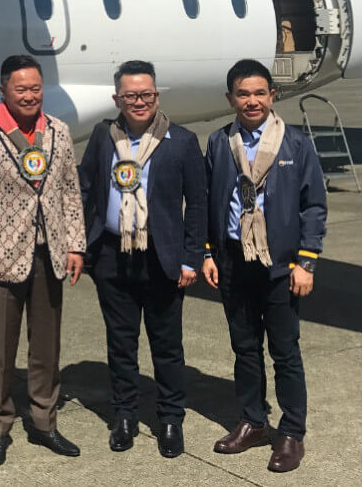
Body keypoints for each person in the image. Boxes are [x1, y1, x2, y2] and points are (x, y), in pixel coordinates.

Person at [201, 59, 327, 474]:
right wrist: (207, 252)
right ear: (230, 98)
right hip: (235, 260)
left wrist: (305, 261)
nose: (251, 101)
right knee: (244, 347)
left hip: (280, 264)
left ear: (272, 95)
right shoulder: (221, 143)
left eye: (259, 93)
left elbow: (313, 206)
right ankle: (253, 421)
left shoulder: (295, 143)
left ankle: (291, 431)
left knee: (285, 351)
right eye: (243, 93)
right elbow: (206, 202)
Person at [0, 54, 86, 467]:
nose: (30, 95)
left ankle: (44, 420)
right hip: (2, 255)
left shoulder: (58, 131)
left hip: (48, 252)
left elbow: (70, 189)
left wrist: (75, 245)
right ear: (3, 91)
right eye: (21, 89)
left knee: (46, 347)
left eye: (36, 88)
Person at [78, 60, 206, 459]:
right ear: (118, 98)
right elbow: (86, 189)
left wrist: (192, 258)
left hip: (162, 257)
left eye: (147, 95)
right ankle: (126, 415)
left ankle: (170, 418)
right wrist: (84, 247)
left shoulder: (181, 141)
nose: (140, 102)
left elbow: (198, 204)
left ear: (157, 96)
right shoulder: (103, 137)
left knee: (167, 346)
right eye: (131, 95)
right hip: (113, 257)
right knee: (121, 343)